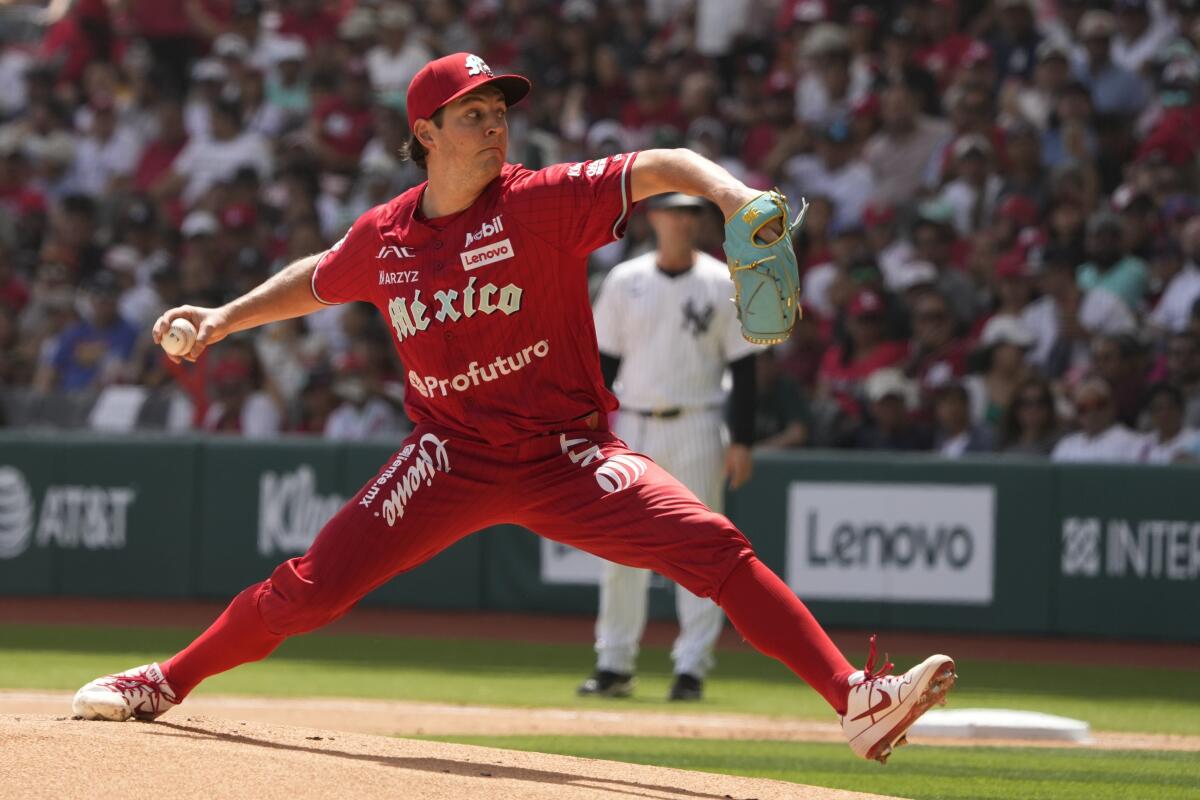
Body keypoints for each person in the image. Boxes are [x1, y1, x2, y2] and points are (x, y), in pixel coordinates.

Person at [71, 53, 954, 764]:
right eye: (473, 114)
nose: (495, 125)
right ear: (426, 133)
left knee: (713, 546)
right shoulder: (387, 237)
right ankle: (166, 680)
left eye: (500, 111)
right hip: (448, 456)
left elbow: (661, 165)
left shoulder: (538, 203)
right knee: (310, 591)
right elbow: (321, 275)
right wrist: (222, 319)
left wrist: (730, 196)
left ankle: (856, 700)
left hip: (565, 454)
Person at [578, 192, 759, 702]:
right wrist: (590, 430)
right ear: (653, 217)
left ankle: (692, 667)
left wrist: (743, 439)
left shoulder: (722, 281)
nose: (683, 221)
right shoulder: (625, 279)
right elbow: (603, 364)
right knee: (618, 544)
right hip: (633, 425)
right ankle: (613, 661)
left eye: (691, 213)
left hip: (698, 421)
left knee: (700, 546)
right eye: (674, 211)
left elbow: (744, 368)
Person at [1051, 378, 1142, 463]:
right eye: (1083, 408)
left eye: (1098, 404)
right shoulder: (1066, 445)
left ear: (1112, 406)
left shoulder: (1133, 442)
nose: (1092, 412)